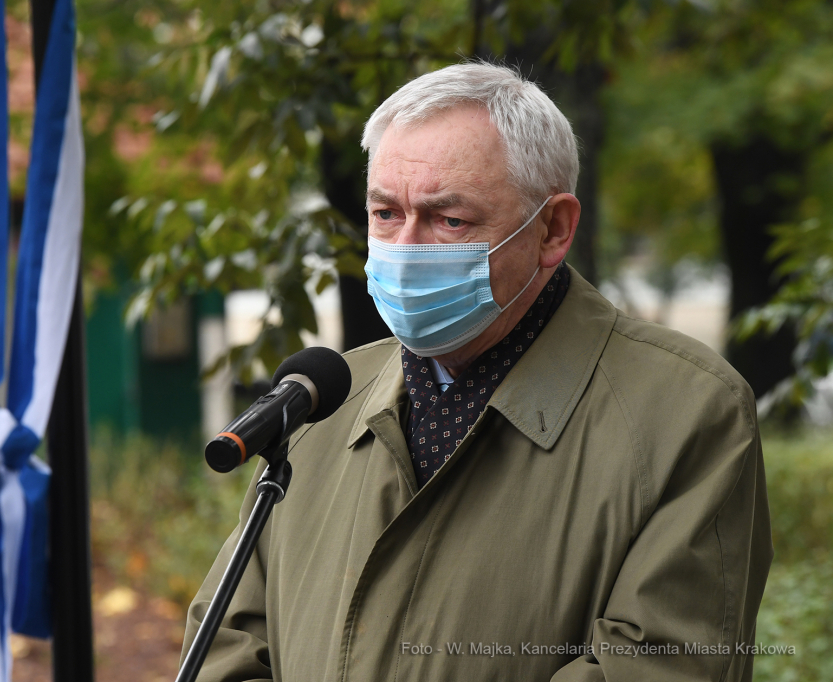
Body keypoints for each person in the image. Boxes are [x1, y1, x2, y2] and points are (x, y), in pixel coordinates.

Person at [181, 62, 772, 682]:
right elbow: (226, 644)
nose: (405, 249)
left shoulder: (686, 412)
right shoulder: (321, 406)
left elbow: (661, 667)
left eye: (449, 220)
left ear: (553, 229)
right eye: (385, 214)